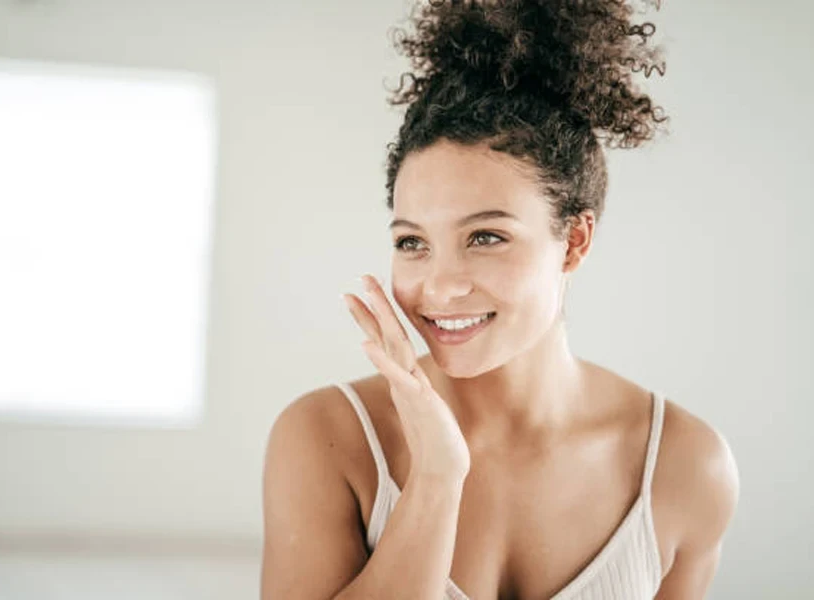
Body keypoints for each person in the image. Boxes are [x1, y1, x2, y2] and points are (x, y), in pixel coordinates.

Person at [261, 1, 739, 598]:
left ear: (574, 242)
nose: (439, 287)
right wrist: (436, 479)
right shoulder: (327, 439)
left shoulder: (683, 467)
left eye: (485, 237)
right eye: (412, 242)